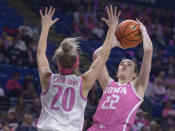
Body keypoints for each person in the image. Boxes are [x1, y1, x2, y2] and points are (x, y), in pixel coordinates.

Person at [36, 6, 121, 131]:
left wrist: (45, 27)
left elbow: (40, 53)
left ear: (58, 63)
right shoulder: (84, 82)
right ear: (76, 63)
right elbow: (103, 57)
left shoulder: (47, 78)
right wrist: (112, 28)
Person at [88, 18, 153, 131]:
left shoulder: (137, 87)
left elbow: (148, 51)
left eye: (128, 64)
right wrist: (115, 42)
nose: (124, 65)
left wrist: (143, 31)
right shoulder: (108, 84)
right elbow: (96, 55)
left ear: (134, 75)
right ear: (117, 72)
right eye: (122, 64)